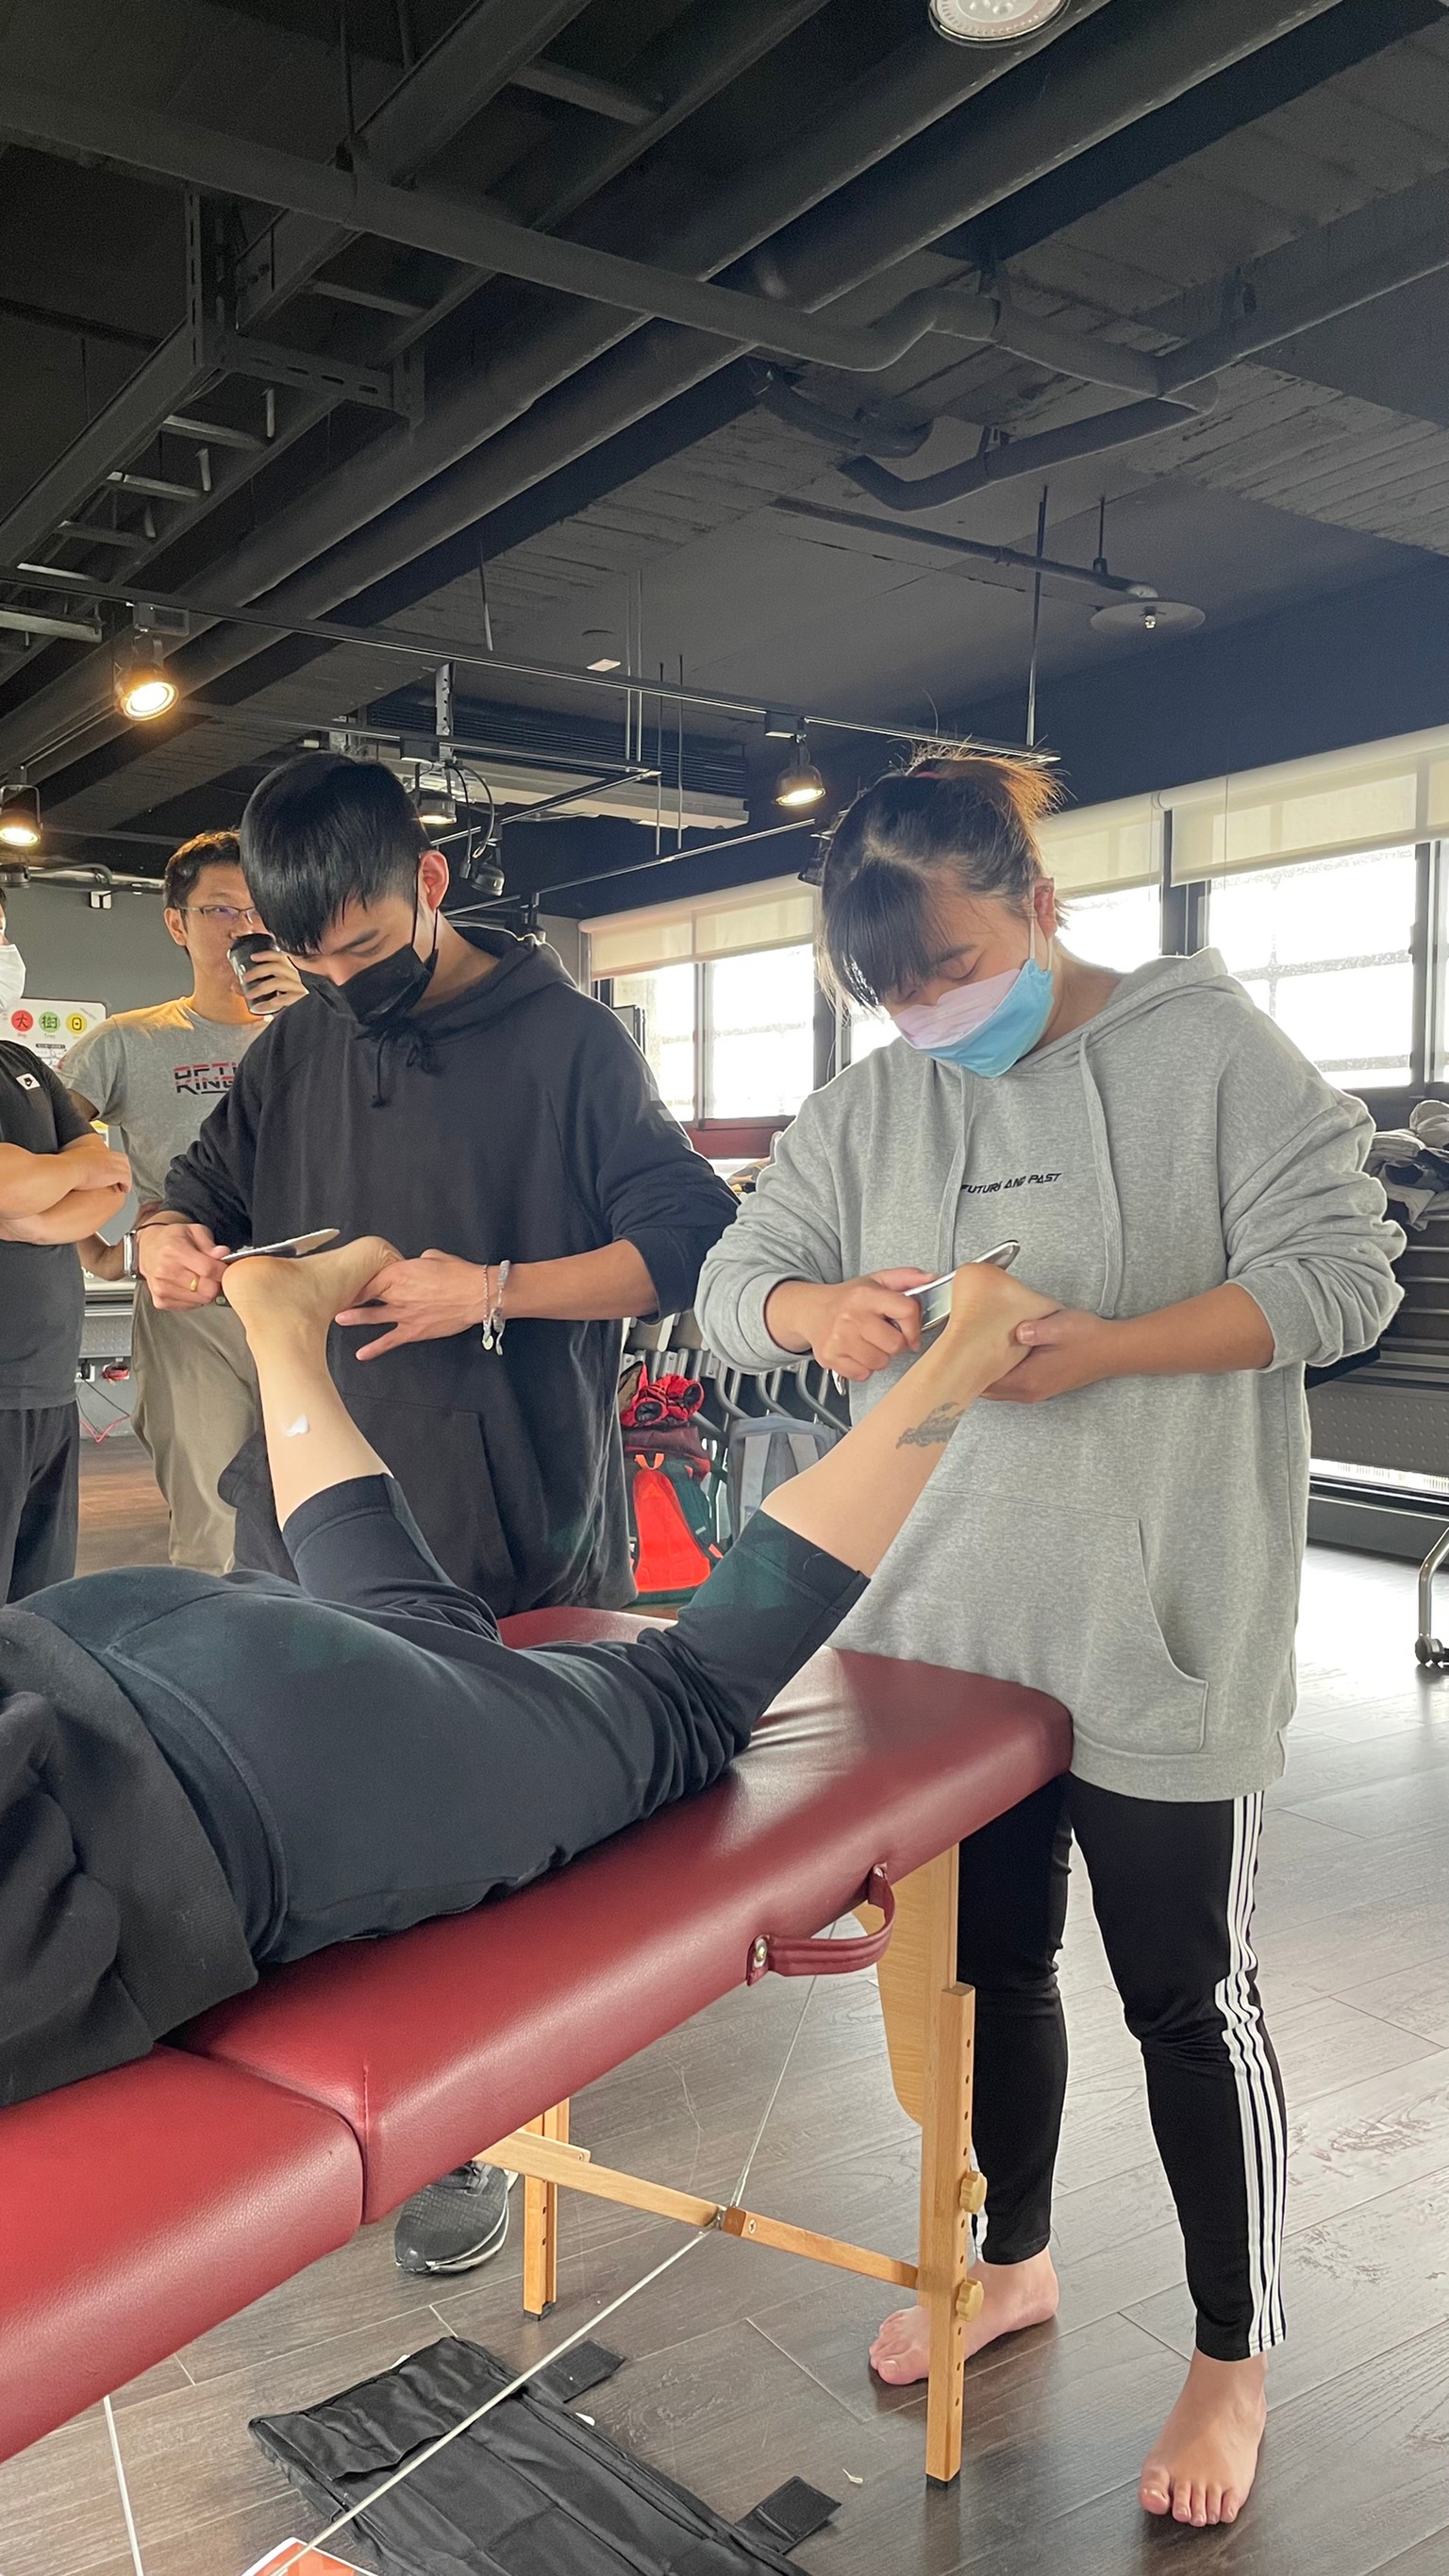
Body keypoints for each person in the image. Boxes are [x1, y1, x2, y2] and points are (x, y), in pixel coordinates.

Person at [695, 750, 1404, 2533]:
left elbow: (1346, 1278)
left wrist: (1111, 1345)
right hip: (942, 1648)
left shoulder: (1210, 1054)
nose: (931, 1015)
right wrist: (816, 1305)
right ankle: (1010, 2256)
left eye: (951, 968)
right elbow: (728, 1289)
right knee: (986, 1978)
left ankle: (1232, 2352)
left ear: (1036, 900)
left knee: (1186, 1999)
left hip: (1161, 1627)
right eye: (893, 992)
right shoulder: (873, 1104)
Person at [0, 1239, 1056, 2119]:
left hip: (233, 1784)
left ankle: (968, 1346)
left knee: (687, 1696)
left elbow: (681, 1240)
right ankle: (280, 1329)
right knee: (409, 1636)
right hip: (100, 1635)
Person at [133, 749, 738, 2275]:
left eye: (361, 947)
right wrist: (167, 1238)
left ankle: (479, 2126)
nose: (343, 983)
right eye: (308, 960)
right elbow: (198, 1186)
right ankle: (326, 2090)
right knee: (311, 1794)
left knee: (487, 1848)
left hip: (498, 1507)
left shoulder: (568, 1042)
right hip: (306, 1499)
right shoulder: (303, 1038)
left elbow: (689, 1242)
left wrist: (499, 1290)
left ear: (430, 882)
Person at [63, 832, 306, 1576]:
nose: (244, 928)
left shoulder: (329, 1031)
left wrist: (316, 1025)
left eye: (259, 910)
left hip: (315, 1297)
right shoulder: (127, 1042)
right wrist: (102, 1253)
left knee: (331, 1513)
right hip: (192, 1305)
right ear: (178, 923)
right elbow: (42, 1148)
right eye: (222, 909)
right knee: (214, 1529)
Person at [0, 899, 132, 1597]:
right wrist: (64, 1173)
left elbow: (112, 1177)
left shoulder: (20, 1061)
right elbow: (6, 1184)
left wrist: (38, 1220)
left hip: (47, 1385)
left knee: (41, 1608)